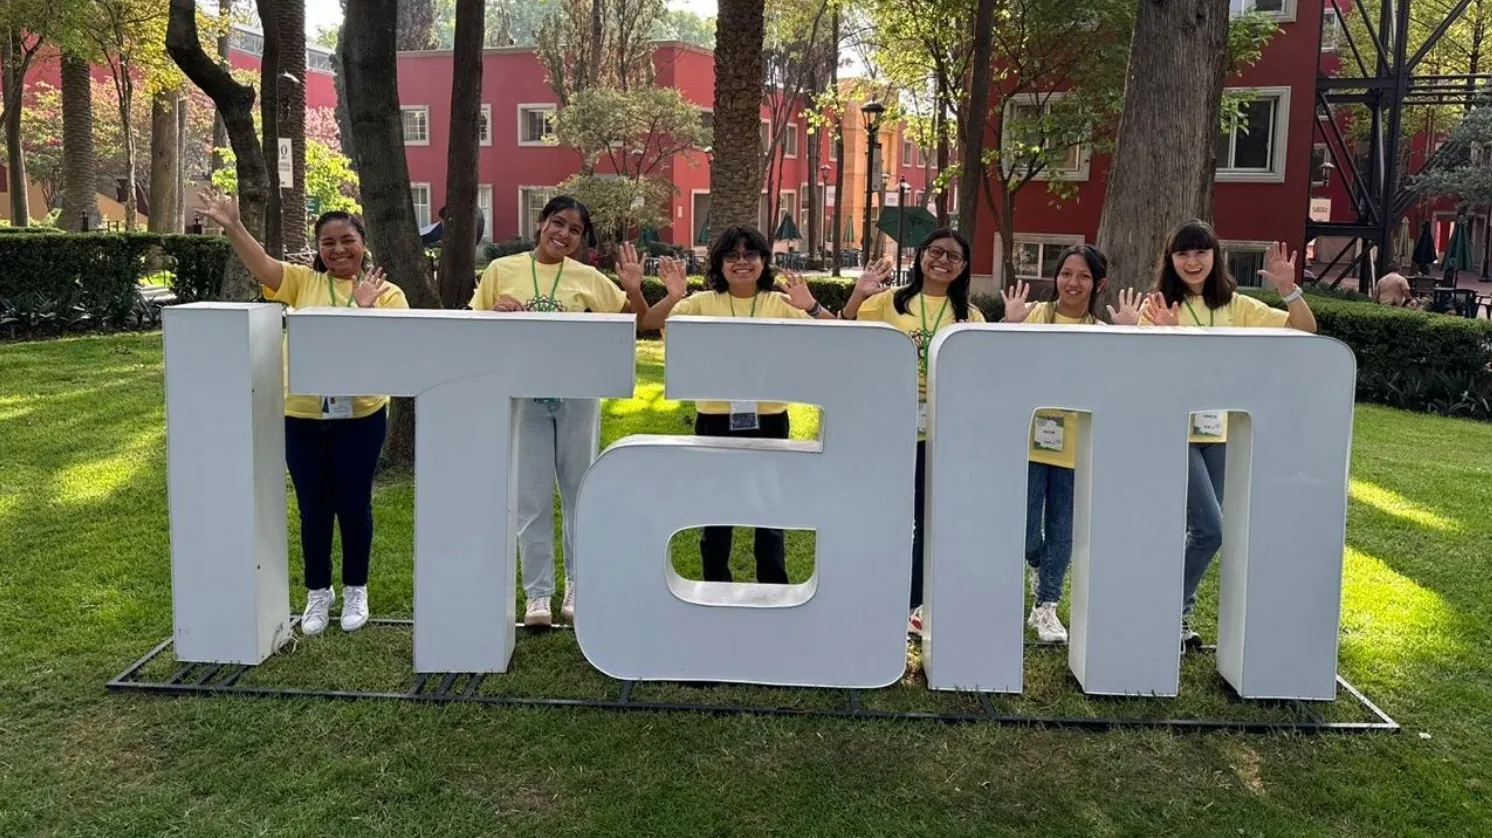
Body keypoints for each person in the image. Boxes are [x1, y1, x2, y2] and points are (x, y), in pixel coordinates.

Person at [195, 190, 409, 636]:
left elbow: (389, 352)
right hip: (302, 413)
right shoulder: (301, 282)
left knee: (353, 504)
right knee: (313, 506)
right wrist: (233, 225)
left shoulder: (388, 293)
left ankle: (355, 589)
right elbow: (262, 265)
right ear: (318, 249)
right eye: (328, 243)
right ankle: (317, 593)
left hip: (361, 415)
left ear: (363, 243)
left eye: (347, 240)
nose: (338, 250)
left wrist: (362, 307)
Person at [469, 196, 649, 627]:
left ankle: (578, 585)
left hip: (577, 397)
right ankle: (538, 595)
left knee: (579, 492)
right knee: (530, 497)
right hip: (523, 395)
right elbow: (473, 329)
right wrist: (495, 315)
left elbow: (636, 324)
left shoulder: (587, 278)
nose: (563, 234)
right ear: (542, 222)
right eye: (558, 223)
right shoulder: (501, 271)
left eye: (574, 230)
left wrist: (634, 289)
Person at [1138, 219, 1317, 647]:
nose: (1192, 261)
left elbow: (1305, 330)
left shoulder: (1237, 307)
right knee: (1211, 530)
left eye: (1200, 252)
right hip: (1172, 432)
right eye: (1183, 253)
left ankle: (1175, 618)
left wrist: (1288, 290)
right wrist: (1166, 336)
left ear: (1214, 256)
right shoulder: (1159, 307)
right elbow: (1143, 370)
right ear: (1171, 260)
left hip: (1218, 431)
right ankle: (1166, 613)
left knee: (1200, 531)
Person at [641, 226, 838, 584]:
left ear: (764, 261)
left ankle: (774, 586)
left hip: (770, 420)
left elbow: (839, 336)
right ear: (719, 263)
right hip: (715, 419)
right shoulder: (700, 303)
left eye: (751, 255)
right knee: (716, 512)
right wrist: (673, 297)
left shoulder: (781, 304)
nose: (742, 263)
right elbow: (649, 322)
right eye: (732, 256)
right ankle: (716, 584)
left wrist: (811, 306)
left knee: (770, 511)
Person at [842, 229, 983, 636]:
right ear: (921, 256)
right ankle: (873, 591)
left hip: (942, 433)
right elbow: (847, 331)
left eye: (953, 256)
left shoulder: (970, 317)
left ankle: (912, 604)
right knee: (883, 514)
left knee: (927, 518)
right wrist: (857, 293)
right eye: (935, 252)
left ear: (964, 266)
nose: (943, 261)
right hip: (889, 427)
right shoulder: (887, 302)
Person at [1000, 245, 1143, 643]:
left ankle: (1046, 606)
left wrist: (1127, 339)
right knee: (1027, 530)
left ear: (1099, 284)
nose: (1072, 283)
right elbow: (1001, 367)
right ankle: (1037, 563)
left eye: (1082, 276)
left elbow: (1120, 385)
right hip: (1028, 438)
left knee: (1063, 526)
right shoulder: (1032, 318)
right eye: (1065, 273)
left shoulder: (1101, 333)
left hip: (1077, 444)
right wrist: (1008, 326)